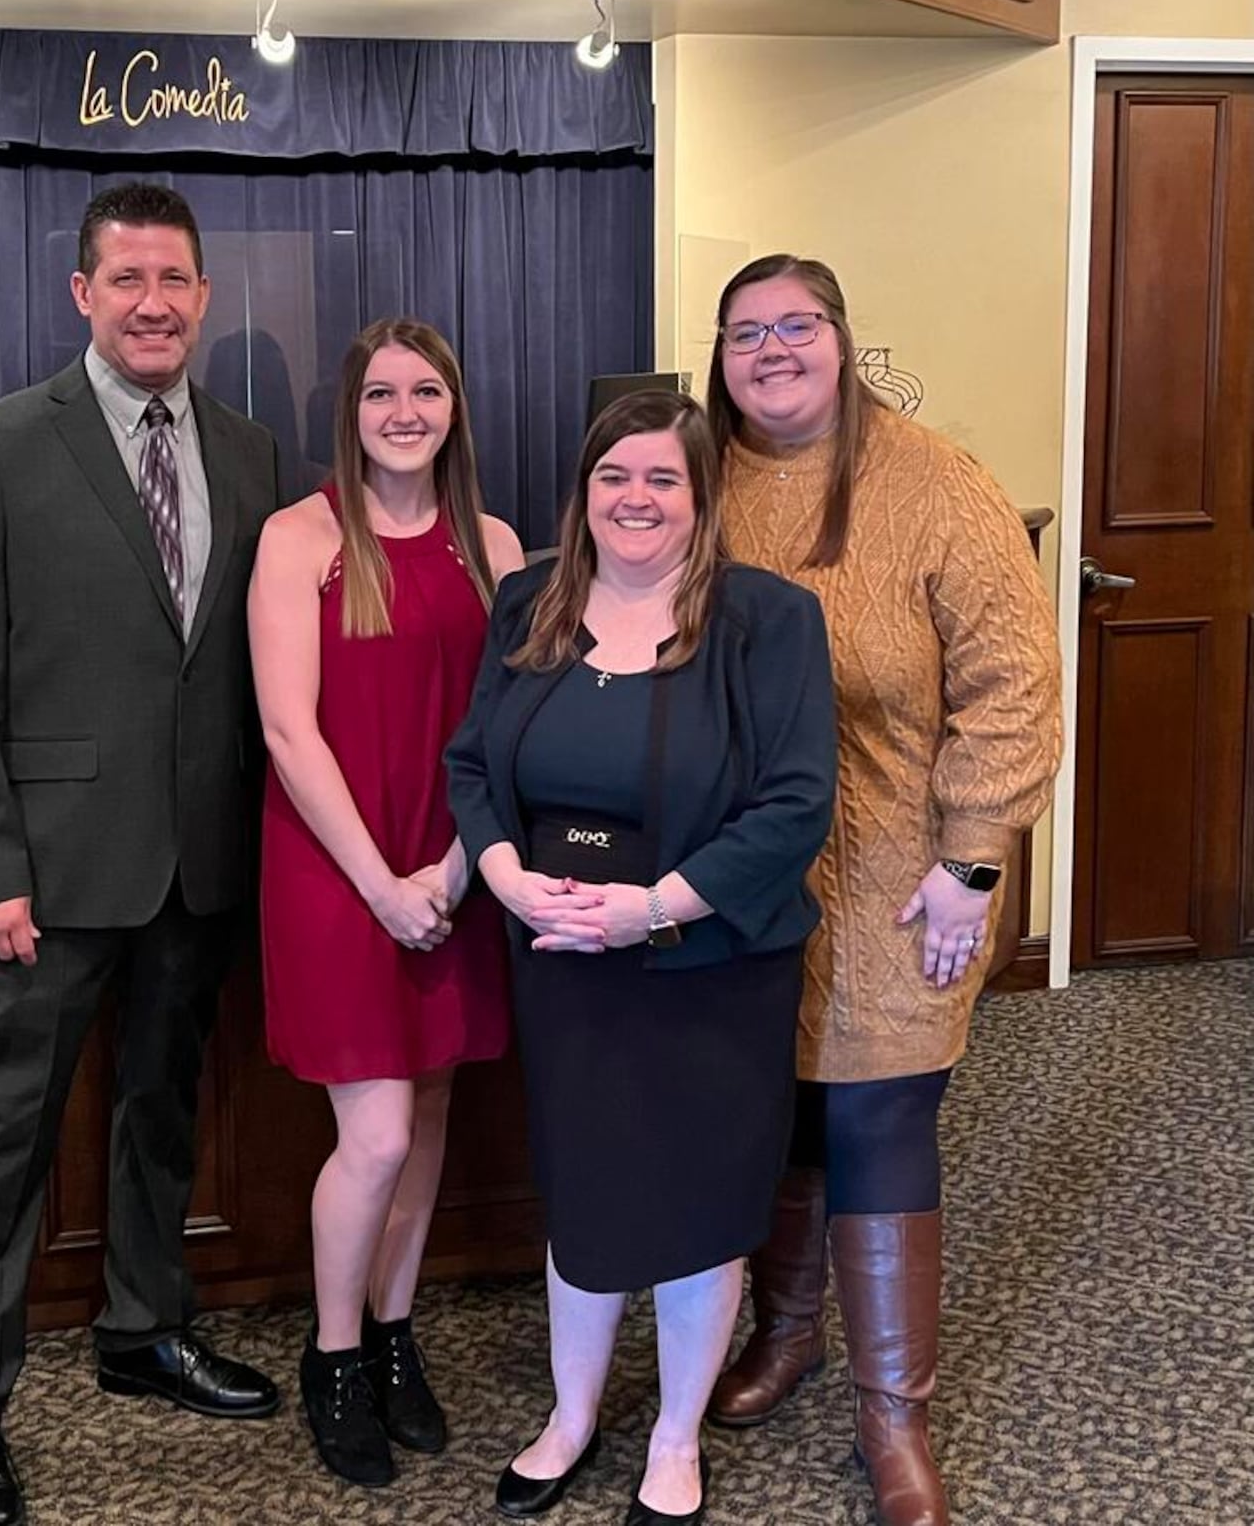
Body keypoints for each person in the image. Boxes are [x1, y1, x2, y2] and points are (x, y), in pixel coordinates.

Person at [0, 181, 282, 1526]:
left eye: (175, 278)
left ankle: (143, 1327)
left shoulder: (249, 451)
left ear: (203, 293)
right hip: (46, 875)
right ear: (82, 292)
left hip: (199, 859)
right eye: (126, 278)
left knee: (161, 1106)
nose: (153, 302)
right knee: (2, 1134)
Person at [703, 255, 1062, 1526]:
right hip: (742, 875)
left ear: (844, 339)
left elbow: (1013, 686)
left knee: (877, 1121)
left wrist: (972, 863)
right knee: (784, 1117)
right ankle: (789, 1331)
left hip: (903, 877)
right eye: (747, 331)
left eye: (798, 325)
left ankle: (891, 1414)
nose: (774, 349)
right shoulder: (696, 479)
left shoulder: (936, 483)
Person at [444, 389, 837, 1526]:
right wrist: (507, 875)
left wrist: (653, 908)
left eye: (663, 478)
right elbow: (472, 762)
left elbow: (793, 804)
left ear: (703, 498)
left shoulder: (767, 620)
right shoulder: (530, 600)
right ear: (583, 490)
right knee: (587, 1192)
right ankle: (570, 1418)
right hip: (563, 955)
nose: (635, 498)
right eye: (614, 476)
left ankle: (672, 1435)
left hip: (706, 964)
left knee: (696, 1203)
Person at [249, 318, 525, 1488]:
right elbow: (284, 729)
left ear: (454, 407)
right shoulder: (299, 537)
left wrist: (452, 876)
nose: (402, 411)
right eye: (378, 394)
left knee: (429, 1113)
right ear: (348, 412)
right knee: (375, 1132)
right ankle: (336, 1354)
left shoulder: (497, 546)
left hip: (452, 868)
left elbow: (514, 729)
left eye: (424, 390)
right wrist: (381, 884)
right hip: (336, 866)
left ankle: (398, 1332)